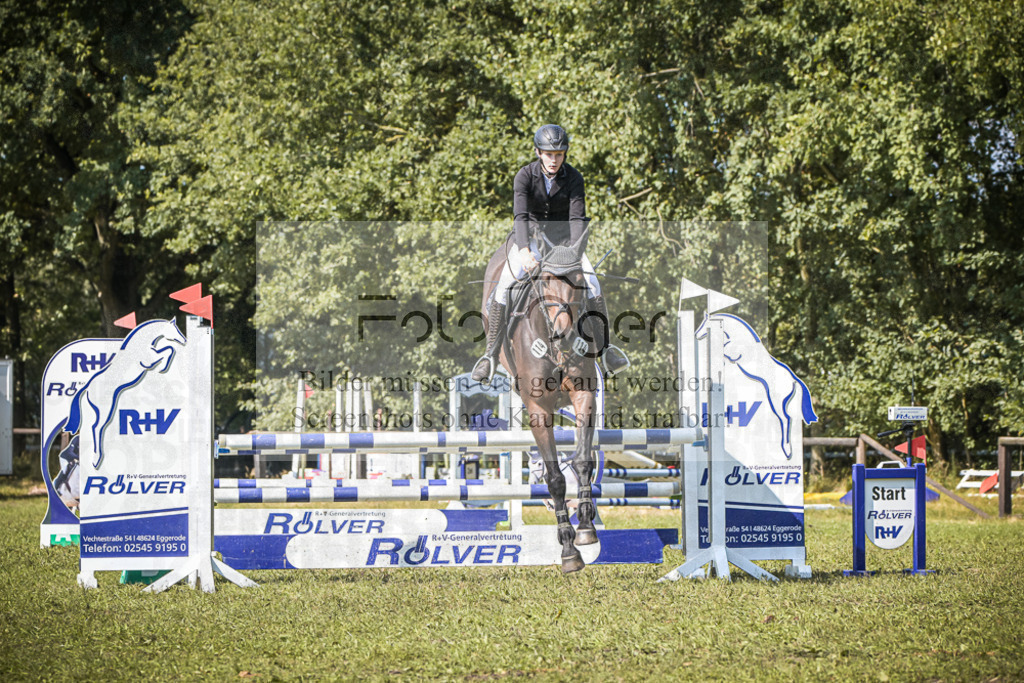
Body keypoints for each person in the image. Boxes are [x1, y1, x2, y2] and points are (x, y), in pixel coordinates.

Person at [471, 124, 629, 382]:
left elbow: (577, 218)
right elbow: (521, 216)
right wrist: (523, 251)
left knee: (592, 282)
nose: (553, 159)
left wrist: (575, 253)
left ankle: (607, 350)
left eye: (558, 154)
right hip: (530, 240)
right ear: (538, 153)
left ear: (564, 155)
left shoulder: (574, 178)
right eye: (548, 154)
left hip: (564, 244)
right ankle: (489, 356)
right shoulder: (524, 176)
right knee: (504, 286)